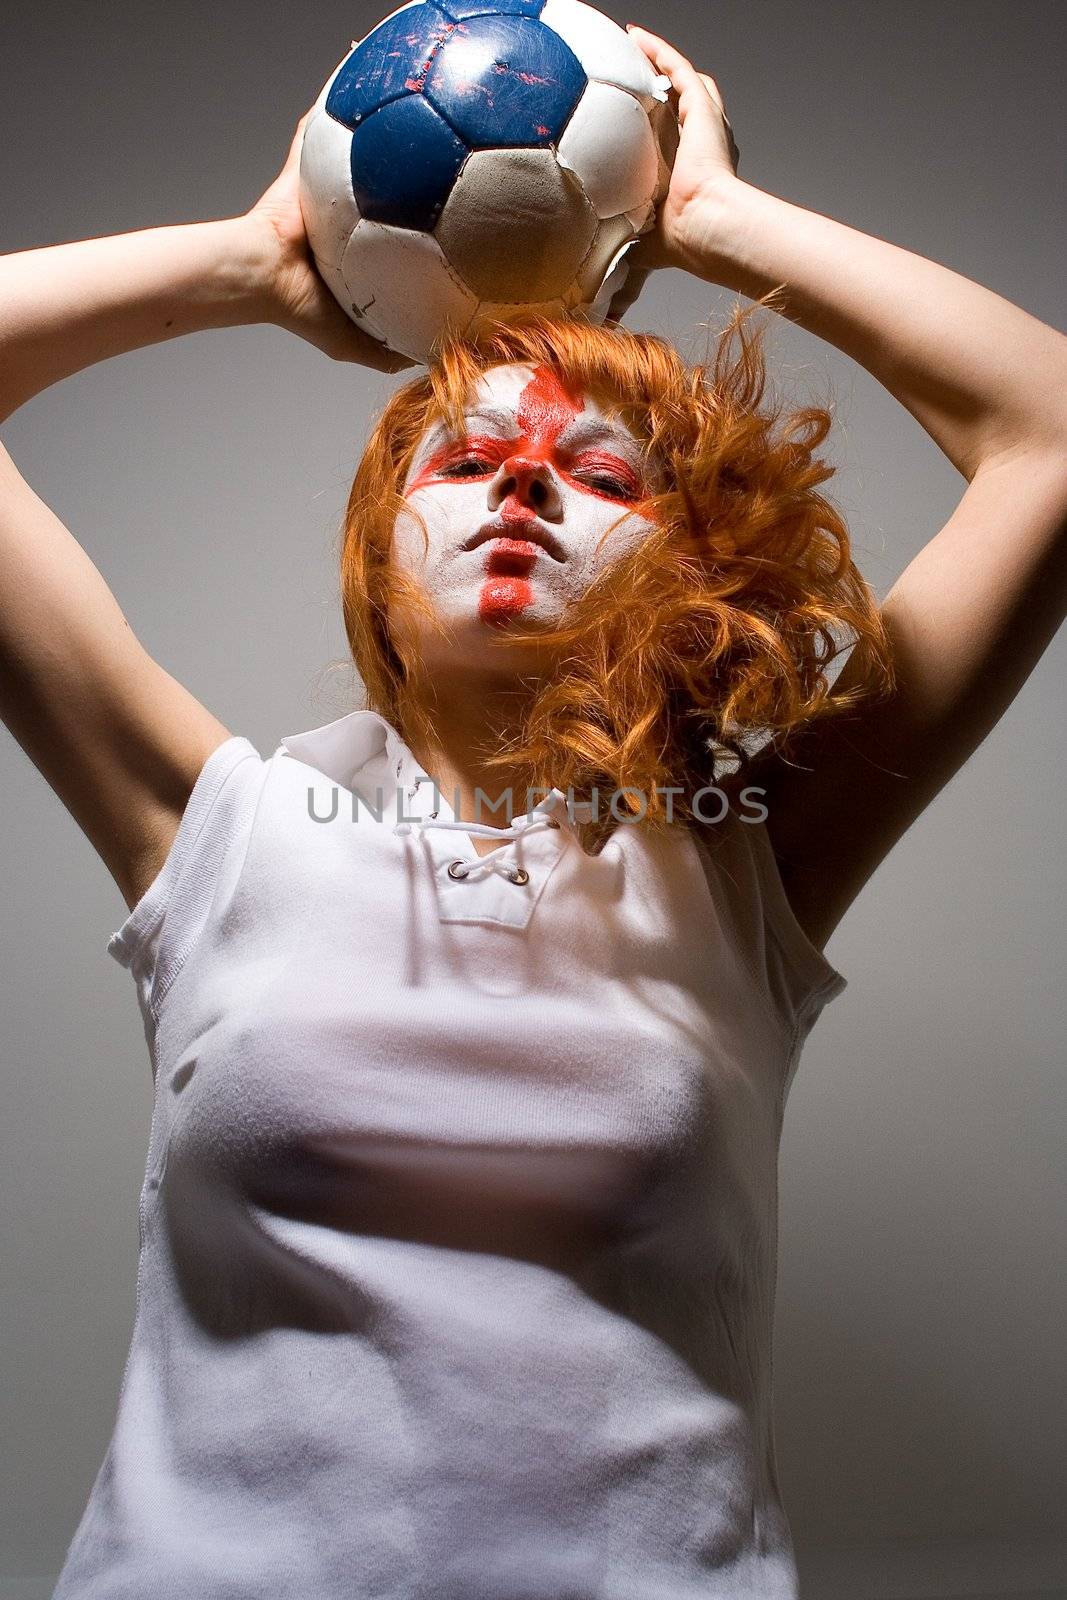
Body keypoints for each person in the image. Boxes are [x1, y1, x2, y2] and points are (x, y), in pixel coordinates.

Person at [2, 22, 1064, 1600]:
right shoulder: (216, 830)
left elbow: (1048, 437)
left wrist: (704, 222)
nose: (519, 487)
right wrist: (245, 266)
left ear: (678, 568)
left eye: (600, 474)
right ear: (378, 554)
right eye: (466, 456)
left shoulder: (743, 866)